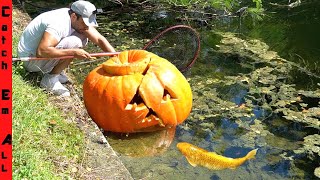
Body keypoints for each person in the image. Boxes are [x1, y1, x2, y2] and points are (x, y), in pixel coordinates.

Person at [17, 0, 116, 96]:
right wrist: (74, 52)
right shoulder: (58, 23)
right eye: (85, 23)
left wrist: (116, 58)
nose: (87, 27)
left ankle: (52, 70)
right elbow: (42, 51)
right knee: (75, 42)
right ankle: (49, 80)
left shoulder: (72, 15)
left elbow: (99, 39)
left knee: (83, 35)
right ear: (74, 16)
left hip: (38, 56)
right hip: (30, 60)